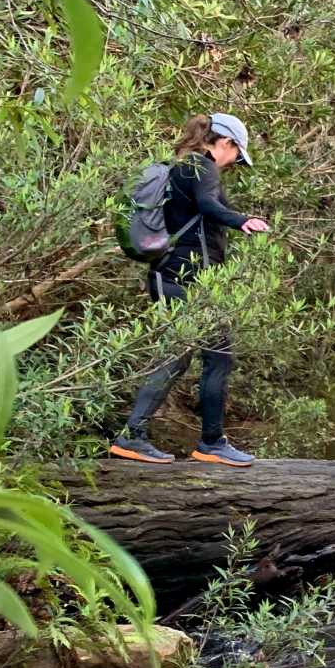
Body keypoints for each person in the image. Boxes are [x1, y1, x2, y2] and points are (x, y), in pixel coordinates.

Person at [110, 113, 271, 466]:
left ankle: (134, 435)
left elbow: (213, 208)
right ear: (225, 143)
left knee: (178, 357)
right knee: (218, 356)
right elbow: (211, 207)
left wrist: (237, 217)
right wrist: (242, 221)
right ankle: (209, 442)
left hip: (171, 277)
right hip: (186, 279)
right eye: (237, 156)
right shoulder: (201, 167)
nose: (234, 164)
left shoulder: (185, 168)